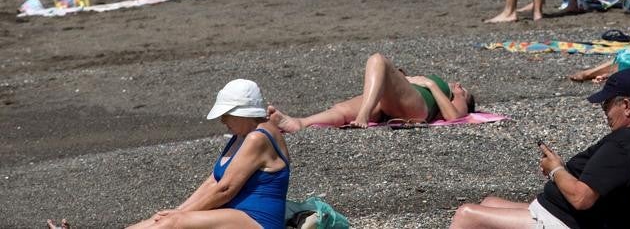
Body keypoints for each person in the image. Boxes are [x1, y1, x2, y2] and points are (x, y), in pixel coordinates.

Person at [451, 69, 630, 229]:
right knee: (489, 203)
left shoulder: (623, 147)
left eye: (606, 104)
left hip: (567, 221)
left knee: (466, 215)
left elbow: (581, 199)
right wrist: (562, 168)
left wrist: (556, 170)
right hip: (563, 214)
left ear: (627, 106)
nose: (605, 112)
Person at [126, 79, 289, 229]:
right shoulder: (241, 135)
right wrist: (179, 209)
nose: (222, 120)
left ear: (243, 113)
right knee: (159, 219)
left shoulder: (257, 138)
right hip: (232, 214)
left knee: (174, 223)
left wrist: (182, 215)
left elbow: (225, 189)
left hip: (258, 220)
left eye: (226, 115)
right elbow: (213, 181)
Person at [267, 53, 473, 130]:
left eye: (464, 90)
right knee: (342, 110)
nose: (459, 86)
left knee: (377, 60)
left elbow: (454, 117)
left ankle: (364, 115)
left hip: (418, 108)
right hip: (396, 103)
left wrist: (431, 85)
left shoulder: (453, 95)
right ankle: (299, 123)